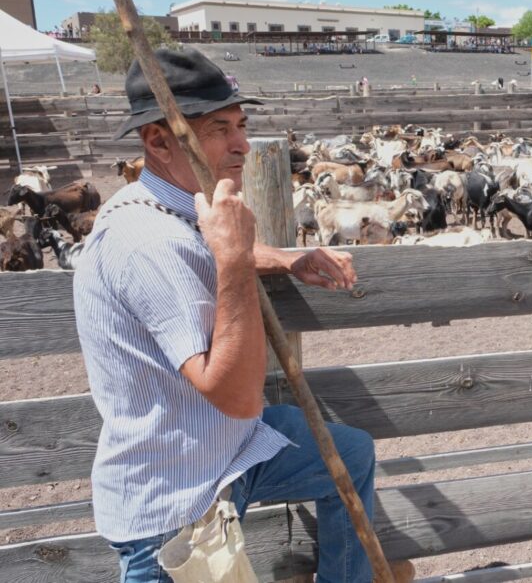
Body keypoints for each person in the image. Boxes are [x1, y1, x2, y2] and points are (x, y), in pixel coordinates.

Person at [73, 48, 411, 583]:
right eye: (217, 129)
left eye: (241, 124)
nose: (242, 145)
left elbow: (199, 250)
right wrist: (233, 257)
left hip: (224, 455)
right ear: (157, 141)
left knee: (350, 453)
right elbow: (234, 396)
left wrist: (283, 258)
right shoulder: (146, 242)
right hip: (176, 508)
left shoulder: (171, 211)